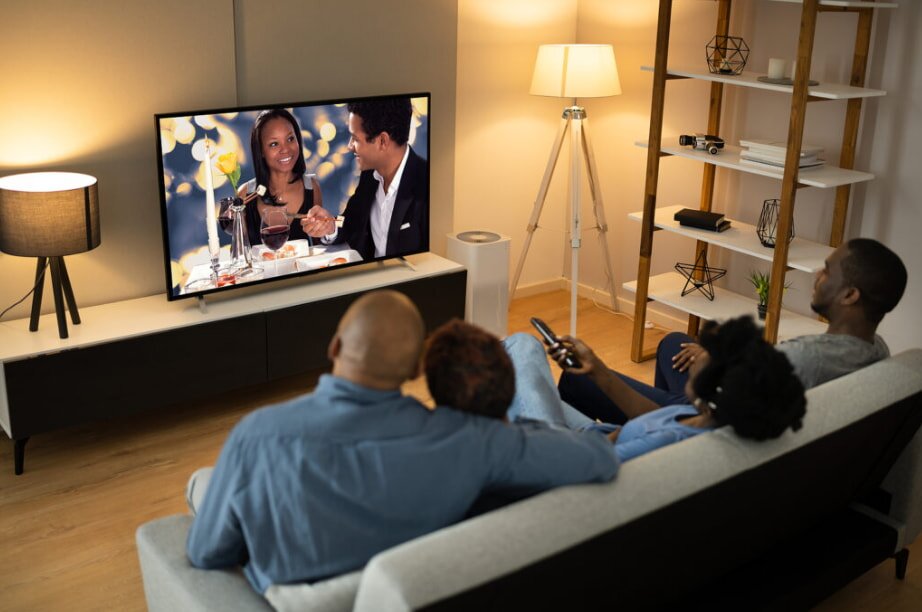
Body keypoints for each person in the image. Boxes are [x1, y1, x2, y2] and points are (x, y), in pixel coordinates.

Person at [186, 291, 617, 596]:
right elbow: (597, 457)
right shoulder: (473, 441)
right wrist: (510, 430)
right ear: (416, 368)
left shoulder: (257, 435)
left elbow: (206, 552)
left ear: (334, 346)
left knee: (203, 487)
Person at [559, 238, 908, 425]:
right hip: (734, 401)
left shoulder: (806, 359)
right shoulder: (876, 349)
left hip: (704, 416)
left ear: (850, 295)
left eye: (828, 271)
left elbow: (709, 412)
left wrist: (711, 366)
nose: (818, 274)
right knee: (672, 344)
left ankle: (649, 434)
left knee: (577, 377)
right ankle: (655, 420)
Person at [506, 316, 807, 462]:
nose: (702, 350)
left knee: (522, 345)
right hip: (594, 437)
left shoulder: (667, 442)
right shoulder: (705, 416)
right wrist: (597, 368)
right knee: (517, 382)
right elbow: (654, 417)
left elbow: (582, 466)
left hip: (561, 451)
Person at [303, 97, 429, 260]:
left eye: (355, 139)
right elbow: (350, 223)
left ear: (382, 141)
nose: (349, 146)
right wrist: (331, 225)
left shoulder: (427, 185)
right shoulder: (370, 175)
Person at [222, 108, 326, 247]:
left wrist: (324, 228)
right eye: (274, 144)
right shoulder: (245, 194)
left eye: (290, 139)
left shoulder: (311, 187)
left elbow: (319, 248)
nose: (286, 149)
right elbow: (239, 253)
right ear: (261, 151)